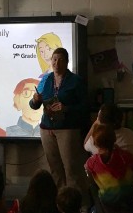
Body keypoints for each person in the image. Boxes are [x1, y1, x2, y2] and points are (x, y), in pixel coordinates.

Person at [29, 47, 90, 208]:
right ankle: (61, 206)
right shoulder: (46, 80)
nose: (57, 63)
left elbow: (85, 107)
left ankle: (79, 206)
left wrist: (66, 108)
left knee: (71, 169)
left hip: (67, 129)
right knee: (55, 169)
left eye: (61, 59)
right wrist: (35, 100)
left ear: (67, 62)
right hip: (46, 128)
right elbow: (34, 105)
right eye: (54, 59)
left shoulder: (75, 81)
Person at [85, 123, 133, 212]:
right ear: (114, 139)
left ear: (95, 143)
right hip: (129, 197)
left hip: (107, 201)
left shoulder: (91, 163)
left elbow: (89, 177)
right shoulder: (124, 156)